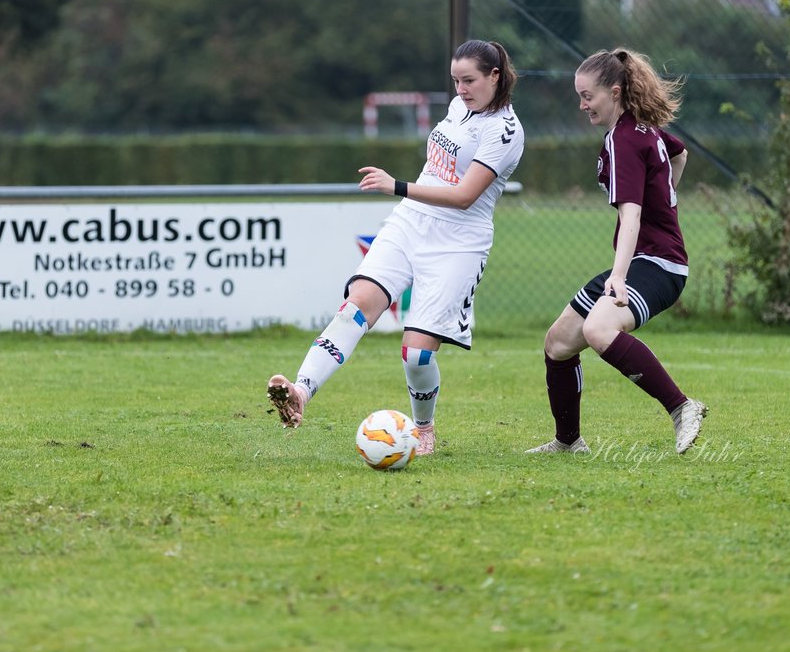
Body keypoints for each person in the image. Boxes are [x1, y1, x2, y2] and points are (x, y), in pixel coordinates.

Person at [267, 40, 525, 456]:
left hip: (457, 244)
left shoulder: (505, 131)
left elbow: (464, 196)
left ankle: (423, 429)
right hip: (411, 222)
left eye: (470, 80)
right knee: (357, 305)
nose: (460, 89)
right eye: (455, 80)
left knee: (416, 355)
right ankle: (301, 392)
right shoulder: (460, 107)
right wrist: (405, 196)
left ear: (495, 76)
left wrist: (396, 185)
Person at [527, 48, 707, 456]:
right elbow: (680, 154)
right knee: (558, 343)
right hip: (648, 259)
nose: (582, 104)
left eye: (588, 95)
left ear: (614, 91)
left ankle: (682, 408)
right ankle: (568, 442)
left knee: (598, 330)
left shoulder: (625, 139)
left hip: (658, 265)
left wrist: (619, 277)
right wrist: (669, 196)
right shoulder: (643, 128)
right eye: (579, 96)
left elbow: (631, 217)